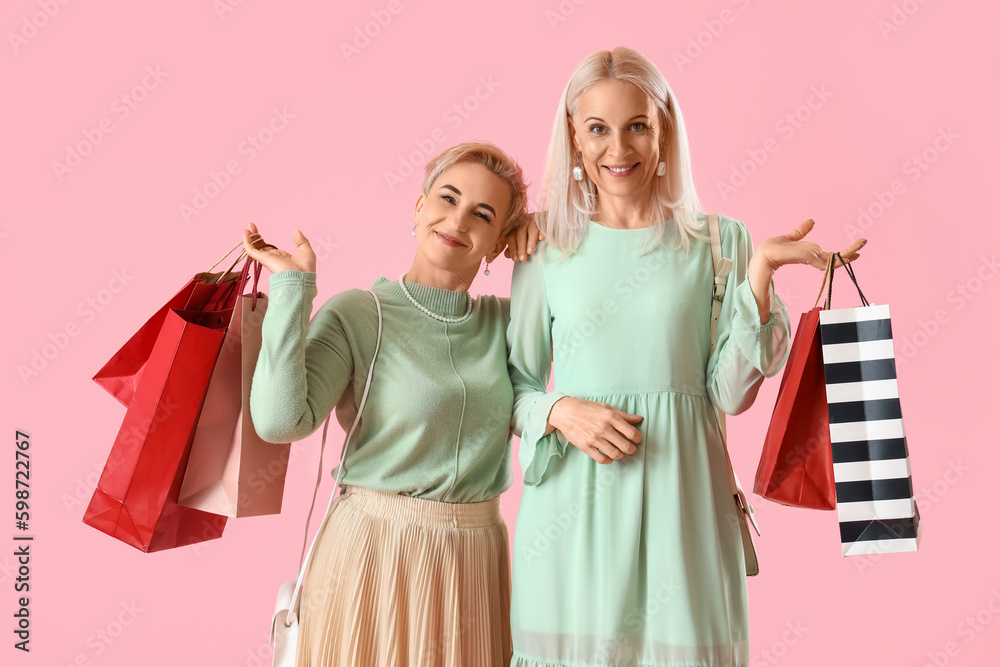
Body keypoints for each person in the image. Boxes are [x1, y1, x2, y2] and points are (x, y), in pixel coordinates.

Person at [504, 47, 865, 667]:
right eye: (598, 129)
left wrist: (761, 274)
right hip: (572, 512)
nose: (618, 149)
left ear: (663, 127)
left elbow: (728, 394)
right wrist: (561, 410)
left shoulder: (720, 241)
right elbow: (513, 386)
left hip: (684, 501)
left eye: (637, 125)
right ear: (574, 136)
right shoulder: (546, 243)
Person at [243, 141, 530, 667]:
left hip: (476, 562)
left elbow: (599, 317)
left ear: (498, 243)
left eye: (483, 214)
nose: (458, 219)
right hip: (372, 552)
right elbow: (281, 421)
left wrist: (548, 244)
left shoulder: (511, 323)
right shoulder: (360, 312)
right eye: (447, 197)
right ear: (419, 207)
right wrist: (292, 288)